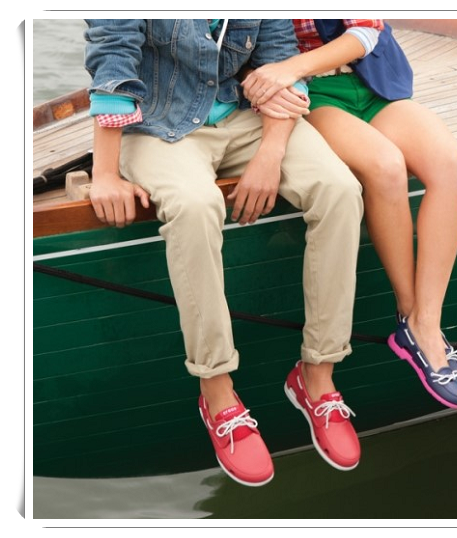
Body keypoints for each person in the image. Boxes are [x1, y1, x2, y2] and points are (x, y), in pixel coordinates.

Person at [83, 19, 364, 487]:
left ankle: (318, 374)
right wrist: (106, 173)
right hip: (158, 127)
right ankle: (216, 390)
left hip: (249, 119)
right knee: (195, 206)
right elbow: (113, 62)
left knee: (339, 190)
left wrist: (270, 155)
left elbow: (280, 63)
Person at [242, 18, 457, 409]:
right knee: (385, 166)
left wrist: (291, 67)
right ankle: (410, 316)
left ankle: (426, 324)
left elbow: (365, 30)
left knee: (451, 163)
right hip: (313, 94)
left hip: (374, 81)